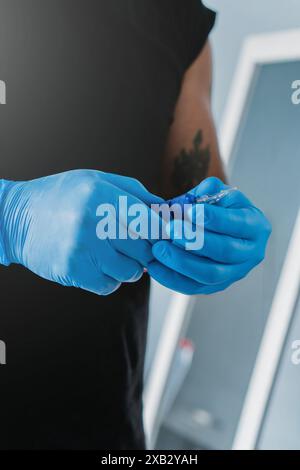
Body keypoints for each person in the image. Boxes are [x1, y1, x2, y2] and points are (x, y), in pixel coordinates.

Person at [0, 1, 271, 449]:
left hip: (103, 424)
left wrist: (221, 226)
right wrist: (12, 218)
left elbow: (203, 187)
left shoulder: (183, 28)